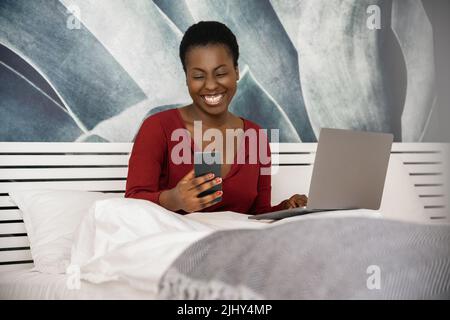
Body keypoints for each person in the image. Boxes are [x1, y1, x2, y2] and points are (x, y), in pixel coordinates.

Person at [125, 21, 307, 214]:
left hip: (240, 242)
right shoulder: (158, 127)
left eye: (220, 73)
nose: (211, 85)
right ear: (186, 78)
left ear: (236, 72)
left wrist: (287, 207)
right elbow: (132, 201)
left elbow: (258, 213)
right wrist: (173, 199)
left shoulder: (255, 136)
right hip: (181, 242)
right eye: (198, 76)